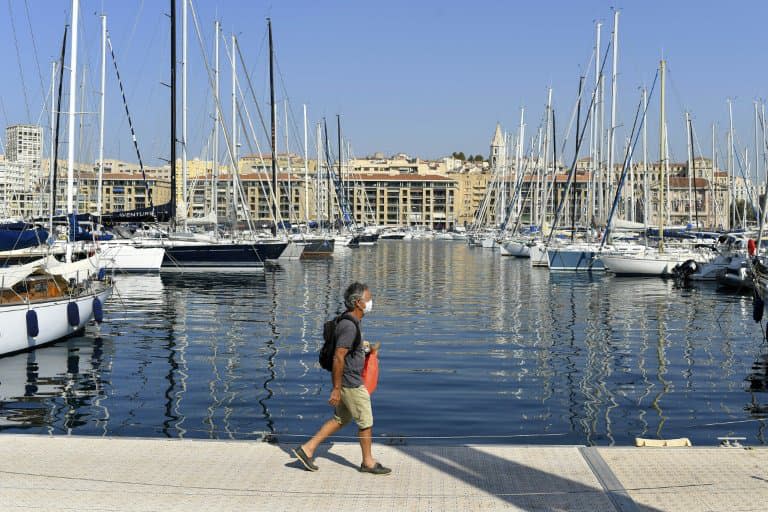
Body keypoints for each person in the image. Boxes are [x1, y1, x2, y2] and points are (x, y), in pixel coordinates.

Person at [292, 282, 391, 475]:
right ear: (357, 302)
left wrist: (367, 349)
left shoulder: (351, 321)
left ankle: (307, 449)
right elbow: (339, 356)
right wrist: (336, 388)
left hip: (348, 381)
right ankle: (368, 462)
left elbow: (349, 349)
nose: (371, 302)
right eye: (368, 299)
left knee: (340, 419)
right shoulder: (349, 326)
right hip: (351, 383)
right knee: (366, 421)